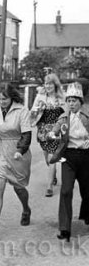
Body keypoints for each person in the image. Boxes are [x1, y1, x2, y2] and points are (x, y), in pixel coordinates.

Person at [0, 83, 32, 240]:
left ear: (12, 97)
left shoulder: (22, 110)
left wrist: (20, 150)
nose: (2, 101)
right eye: (0, 98)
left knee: (19, 188)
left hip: (16, 152)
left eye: (5, 98)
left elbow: (27, 135)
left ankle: (26, 209)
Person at [48, 82, 89, 242]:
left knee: (87, 191)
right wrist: (52, 134)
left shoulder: (86, 117)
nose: (71, 104)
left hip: (86, 157)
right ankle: (64, 228)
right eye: (69, 101)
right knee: (65, 191)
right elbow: (54, 131)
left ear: (80, 102)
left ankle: (86, 213)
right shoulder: (63, 118)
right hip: (69, 157)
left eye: (74, 100)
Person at [30, 73, 65, 197]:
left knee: (51, 157)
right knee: (46, 157)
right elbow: (33, 111)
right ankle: (53, 174)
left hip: (55, 130)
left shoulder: (61, 97)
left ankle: (49, 186)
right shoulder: (40, 96)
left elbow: (66, 114)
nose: (48, 86)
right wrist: (35, 113)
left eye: (50, 83)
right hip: (42, 129)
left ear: (55, 85)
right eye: (46, 83)